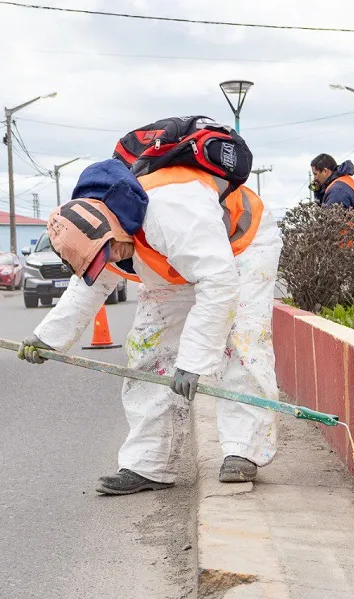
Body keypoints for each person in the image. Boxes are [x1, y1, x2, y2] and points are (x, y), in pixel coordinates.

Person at [17, 159, 282, 495]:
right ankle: (149, 463)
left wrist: (192, 364)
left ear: (110, 227)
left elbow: (219, 285)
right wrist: (47, 339)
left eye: (108, 251)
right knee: (148, 349)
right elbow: (90, 286)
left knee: (243, 342)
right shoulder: (110, 232)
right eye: (102, 259)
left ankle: (244, 450)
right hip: (177, 263)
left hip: (243, 245)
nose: (112, 259)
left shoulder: (170, 210)